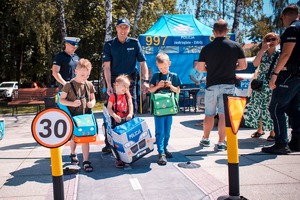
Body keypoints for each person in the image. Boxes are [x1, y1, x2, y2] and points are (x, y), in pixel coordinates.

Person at [197, 19, 247, 151]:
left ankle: (206, 139)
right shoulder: (236, 46)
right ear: (227, 31)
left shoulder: (206, 48)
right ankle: (220, 142)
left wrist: (211, 69)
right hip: (228, 84)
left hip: (212, 84)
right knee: (223, 115)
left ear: (213, 32)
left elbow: (201, 68)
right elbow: (243, 65)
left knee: (209, 114)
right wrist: (231, 67)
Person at [102, 17, 149, 153]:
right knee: (111, 111)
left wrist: (145, 80)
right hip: (115, 82)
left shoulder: (134, 43)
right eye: (120, 27)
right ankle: (109, 143)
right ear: (116, 28)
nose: (123, 30)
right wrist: (109, 85)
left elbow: (142, 63)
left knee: (130, 110)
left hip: (130, 82)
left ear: (128, 29)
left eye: (126, 27)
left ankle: (131, 141)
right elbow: (106, 67)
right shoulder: (109, 45)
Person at [262, 5, 300, 154]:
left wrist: (275, 73)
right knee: (294, 109)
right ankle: (297, 142)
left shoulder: (292, 29)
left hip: (289, 75)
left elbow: (285, 54)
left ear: (285, 16)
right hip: (297, 76)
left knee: (276, 108)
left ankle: (281, 143)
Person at [59, 58, 96, 172]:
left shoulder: (88, 84)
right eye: (82, 75)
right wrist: (72, 104)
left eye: (87, 75)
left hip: (85, 117)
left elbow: (93, 99)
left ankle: (85, 160)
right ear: (76, 71)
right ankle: (73, 153)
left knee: (85, 138)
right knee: (73, 137)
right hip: (73, 116)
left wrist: (91, 104)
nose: (85, 78)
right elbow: (61, 100)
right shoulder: (68, 85)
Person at [244, 32, 280, 142]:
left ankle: (273, 132)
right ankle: (260, 129)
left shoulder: (279, 54)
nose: (271, 41)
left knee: (271, 107)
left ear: (278, 41)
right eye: (268, 39)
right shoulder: (262, 53)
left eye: (273, 39)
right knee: (259, 106)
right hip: (261, 83)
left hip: (273, 82)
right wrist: (262, 50)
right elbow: (255, 64)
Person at [149, 52, 181, 165]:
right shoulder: (156, 76)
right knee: (160, 131)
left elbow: (177, 91)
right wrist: (159, 86)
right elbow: (151, 90)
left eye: (165, 67)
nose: (163, 69)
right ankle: (161, 152)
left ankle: (165, 148)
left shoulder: (174, 76)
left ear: (169, 64)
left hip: (169, 108)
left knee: (167, 131)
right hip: (158, 109)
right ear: (157, 66)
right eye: (160, 67)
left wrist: (170, 85)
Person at [107, 74, 134, 167]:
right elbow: (109, 108)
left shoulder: (127, 95)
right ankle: (118, 159)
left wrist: (130, 114)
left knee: (128, 139)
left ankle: (128, 156)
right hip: (117, 122)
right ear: (117, 85)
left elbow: (130, 105)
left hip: (127, 120)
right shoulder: (112, 96)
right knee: (118, 142)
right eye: (124, 86)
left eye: (127, 87)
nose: (126, 89)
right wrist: (114, 116)